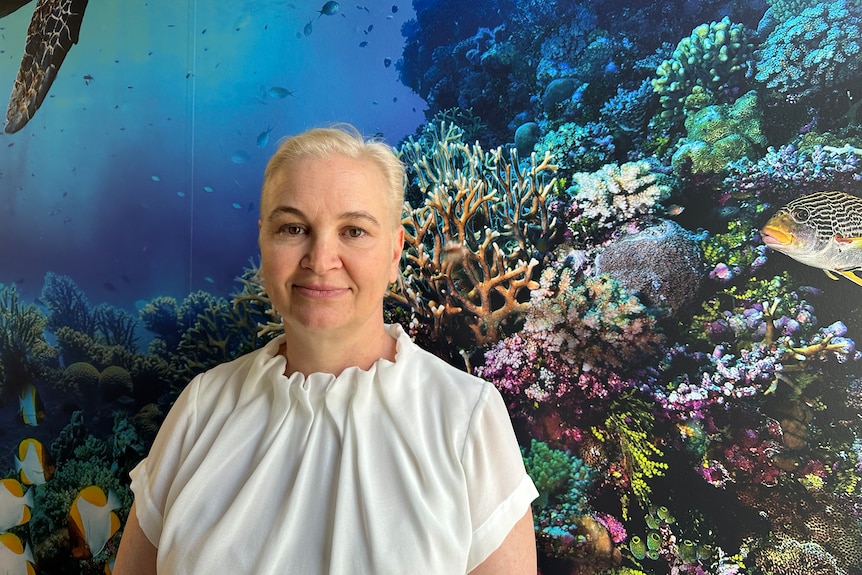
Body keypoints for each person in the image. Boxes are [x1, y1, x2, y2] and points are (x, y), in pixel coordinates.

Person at [113, 124, 539, 574]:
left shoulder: (467, 416)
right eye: (293, 228)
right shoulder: (201, 406)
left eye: (354, 231)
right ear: (263, 241)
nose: (320, 258)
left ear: (396, 253)